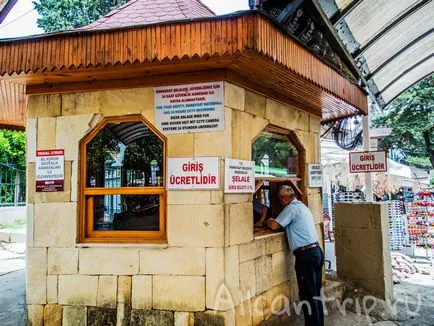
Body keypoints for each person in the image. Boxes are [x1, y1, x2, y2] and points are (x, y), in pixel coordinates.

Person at [266, 185, 324, 326]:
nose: (280, 202)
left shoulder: (291, 208)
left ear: (285, 198)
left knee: (308, 296)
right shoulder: (302, 206)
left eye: (280, 199)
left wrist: (268, 220)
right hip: (316, 252)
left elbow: (274, 226)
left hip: (306, 256)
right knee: (315, 294)